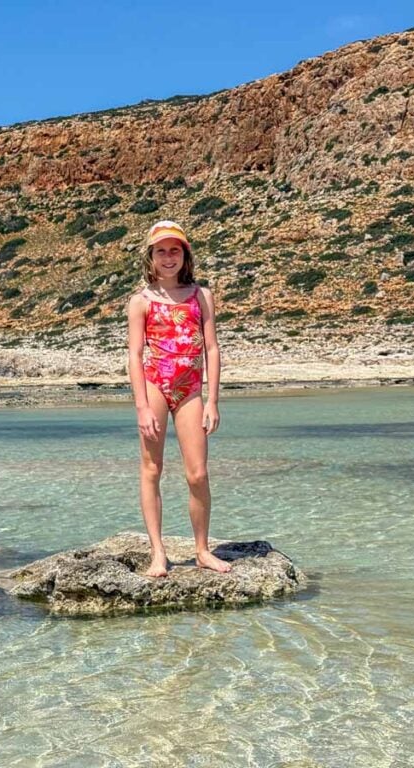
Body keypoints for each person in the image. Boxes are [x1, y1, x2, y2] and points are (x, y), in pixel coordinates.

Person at [126, 220, 231, 578]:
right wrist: (141, 406)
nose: (168, 257)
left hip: (190, 391)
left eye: (175, 250)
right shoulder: (140, 302)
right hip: (155, 385)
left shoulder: (202, 296)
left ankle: (202, 550)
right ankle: (158, 553)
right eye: (161, 251)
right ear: (151, 256)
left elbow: (213, 348)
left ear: (185, 255)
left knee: (198, 473)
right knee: (151, 469)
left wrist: (213, 399)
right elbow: (135, 354)